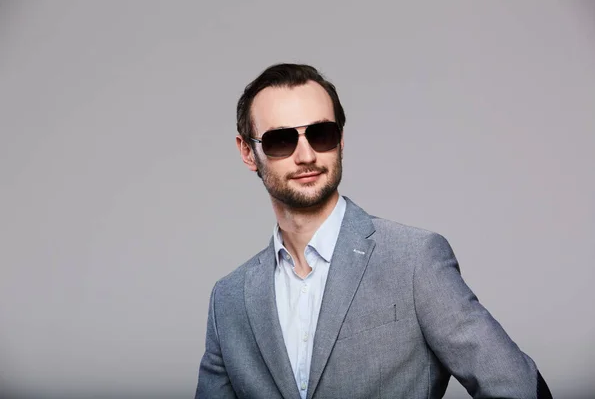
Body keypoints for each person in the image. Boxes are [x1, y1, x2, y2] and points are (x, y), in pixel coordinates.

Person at [195, 63, 552, 399]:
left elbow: (517, 386)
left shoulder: (414, 260)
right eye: (280, 140)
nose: (306, 155)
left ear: (341, 139)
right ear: (247, 151)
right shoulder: (229, 299)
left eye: (321, 134)